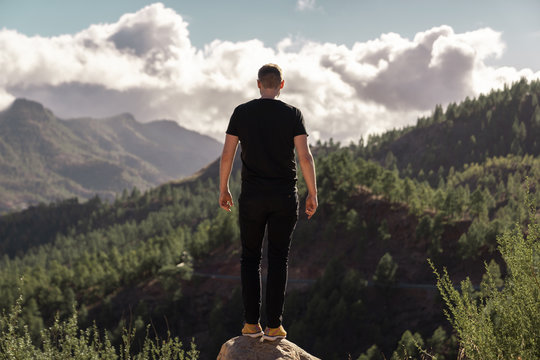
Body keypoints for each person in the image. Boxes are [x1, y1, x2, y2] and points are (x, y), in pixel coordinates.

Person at [219, 63, 318, 341]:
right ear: (282, 85)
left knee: (250, 258)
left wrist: (223, 188)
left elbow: (227, 154)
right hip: (284, 196)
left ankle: (251, 325)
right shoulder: (293, 114)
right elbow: (305, 157)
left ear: (258, 84)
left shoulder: (241, 112)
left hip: (252, 197)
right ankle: (274, 327)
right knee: (278, 259)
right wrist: (313, 193)